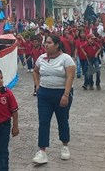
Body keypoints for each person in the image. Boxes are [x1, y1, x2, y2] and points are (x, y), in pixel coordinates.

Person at [31, 35, 75, 164]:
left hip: (61, 93)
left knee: (62, 120)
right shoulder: (41, 58)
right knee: (43, 121)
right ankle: (42, 151)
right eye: (46, 43)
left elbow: (70, 77)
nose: (46, 45)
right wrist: (37, 86)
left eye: (49, 43)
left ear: (57, 45)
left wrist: (66, 95)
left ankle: (65, 146)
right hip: (44, 94)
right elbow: (35, 71)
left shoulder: (66, 59)